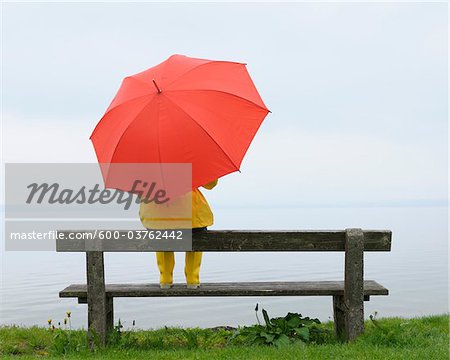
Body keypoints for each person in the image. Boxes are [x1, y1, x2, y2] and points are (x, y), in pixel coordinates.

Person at [139, 179, 218, 289]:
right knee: (196, 237)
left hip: (157, 214)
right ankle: (192, 279)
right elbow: (210, 184)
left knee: (161, 237)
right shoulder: (192, 163)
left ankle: (165, 279)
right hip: (191, 215)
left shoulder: (149, 166)